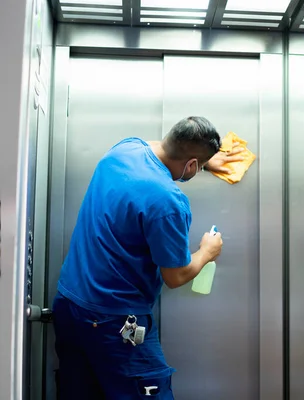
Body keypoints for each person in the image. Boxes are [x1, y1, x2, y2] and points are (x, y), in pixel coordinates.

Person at [52, 116, 244, 399]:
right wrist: (207, 252)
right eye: (198, 166)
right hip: (114, 320)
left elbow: (160, 154)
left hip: (69, 305)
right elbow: (175, 275)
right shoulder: (168, 201)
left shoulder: (125, 149)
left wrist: (201, 163)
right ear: (191, 164)